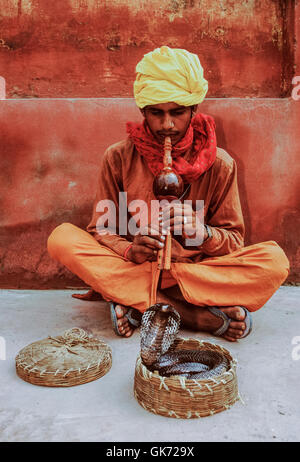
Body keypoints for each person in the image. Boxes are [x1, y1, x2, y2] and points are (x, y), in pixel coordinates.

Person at [47, 46, 289, 342]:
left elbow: (234, 241)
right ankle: (190, 314)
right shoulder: (118, 157)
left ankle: (140, 303)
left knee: (274, 261)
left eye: (177, 112)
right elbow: (101, 229)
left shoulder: (221, 163)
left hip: (198, 271)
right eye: (156, 113)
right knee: (62, 238)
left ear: (193, 110)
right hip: (136, 265)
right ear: (143, 112)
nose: (167, 125)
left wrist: (203, 233)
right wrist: (130, 250)